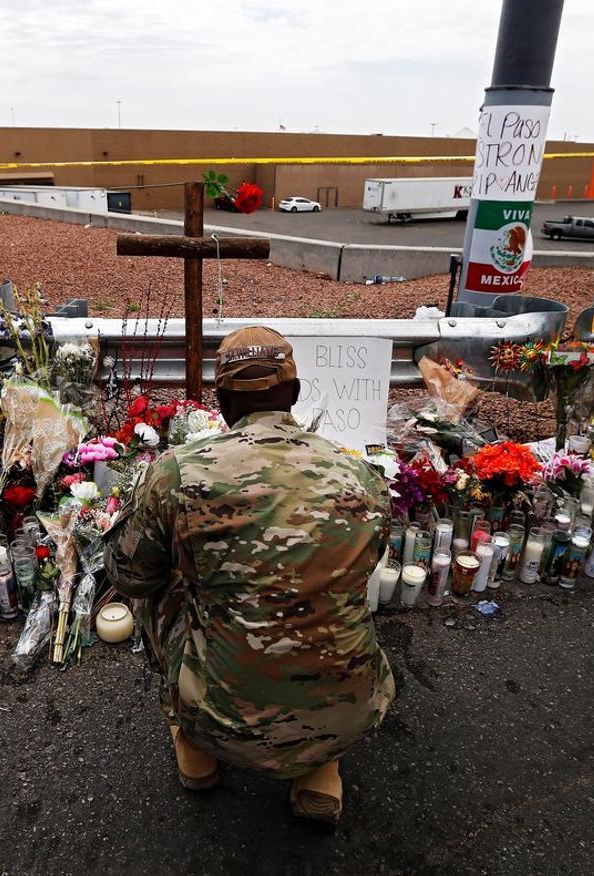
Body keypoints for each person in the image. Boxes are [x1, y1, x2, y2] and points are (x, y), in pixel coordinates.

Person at [104, 326, 395, 825]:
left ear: (221, 402)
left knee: (156, 590)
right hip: (354, 713)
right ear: (296, 395)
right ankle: (319, 769)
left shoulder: (180, 472)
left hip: (223, 720)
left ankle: (196, 751)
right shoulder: (362, 477)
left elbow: (130, 575)